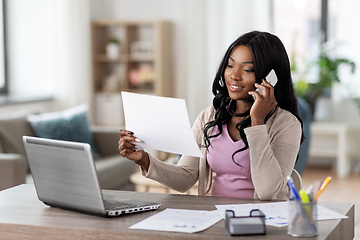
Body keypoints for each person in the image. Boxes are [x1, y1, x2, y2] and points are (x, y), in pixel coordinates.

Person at [118, 30, 304, 200]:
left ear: (271, 77)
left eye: (247, 69)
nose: (234, 76)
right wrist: (144, 159)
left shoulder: (287, 124)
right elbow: (186, 177)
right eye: (230, 66)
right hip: (215, 219)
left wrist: (257, 122)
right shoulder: (210, 117)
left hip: (261, 222)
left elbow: (268, 191)